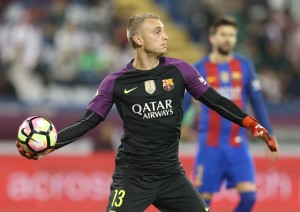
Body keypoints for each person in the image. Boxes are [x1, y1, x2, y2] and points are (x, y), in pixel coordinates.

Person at [16, 13, 277, 212]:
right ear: (138, 39)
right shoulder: (115, 82)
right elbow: (88, 122)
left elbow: (216, 101)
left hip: (171, 175)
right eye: (157, 31)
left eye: (164, 31)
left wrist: (252, 124)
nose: (165, 36)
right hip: (133, 177)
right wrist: (51, 145)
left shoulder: (181, 71)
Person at [183, 16, 277, 212]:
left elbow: (256, 101)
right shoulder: (199, 68)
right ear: (212, 38)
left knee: (249, 198)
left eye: (232, 35)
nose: (228, 39)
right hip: (210, 146)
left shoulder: (245, 66)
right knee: (202, 205)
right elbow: (184, 104)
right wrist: (176, 129)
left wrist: (270, 133)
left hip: (238, 145)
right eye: (223, 35)